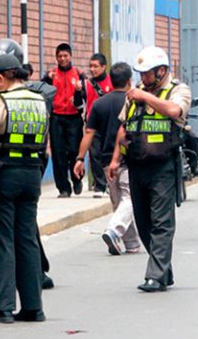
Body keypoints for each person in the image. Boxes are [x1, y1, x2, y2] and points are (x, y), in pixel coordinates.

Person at [0, 38, 56, 290]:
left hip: (2, 173)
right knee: (26, 237)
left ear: (0, 78)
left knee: (2, 239)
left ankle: (2, 305)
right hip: (31, 172)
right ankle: (32, 305)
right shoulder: (39, 99)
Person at [108, 46, 191, 292]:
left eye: (147, 74)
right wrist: (115, 160)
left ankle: (154, 276)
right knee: (144, 222)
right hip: (136, 166)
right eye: (141, 74)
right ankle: (164, 269)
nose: (142, 79)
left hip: (163, 166)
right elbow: (123, 128)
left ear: (161, 71)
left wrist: (145, 97)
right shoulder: (135, 96)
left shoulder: (177, 90)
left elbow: (175, 111)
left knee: (161, 222)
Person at [75, 62, 141, 256]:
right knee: (130, 199)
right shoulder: (134, 102)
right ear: (129, 80)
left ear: (110, 80)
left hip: (105, 161)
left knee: (119, 201)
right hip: (129, 159)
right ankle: (113, 230)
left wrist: (80, 159)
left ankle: (132, 243)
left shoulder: (99, 104)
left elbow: (88, 133)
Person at [43, 43, 87, 198]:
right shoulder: (51, 75)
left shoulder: (79, 74)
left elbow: (86, 96)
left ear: (71, 56)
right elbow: (42, 92)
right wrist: (46, 79)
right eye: (59, 56)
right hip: (56, 117)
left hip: (74, 117)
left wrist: (80, 91)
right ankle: (63, 188)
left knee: (74, 151)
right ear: (56, 57)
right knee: (58, 153)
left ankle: (77, 179)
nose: (62, 59)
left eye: (65, 56)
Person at [75, 53, 113, 196]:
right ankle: (100, 186)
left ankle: (111, 183)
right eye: (90, 66)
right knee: (95, 155)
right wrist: (78, 92)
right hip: (93, 124)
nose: (92, 69)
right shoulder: (86, 84)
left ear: (104, 67)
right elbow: (78, 104)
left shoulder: (112, 82)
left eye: (96, 66)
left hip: (110, 124)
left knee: (109, 154)